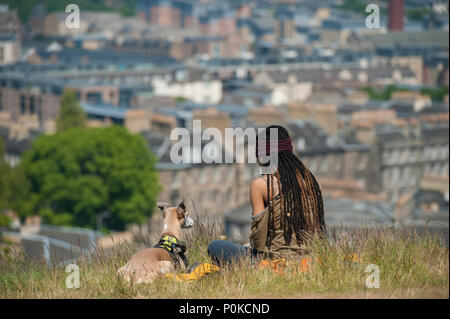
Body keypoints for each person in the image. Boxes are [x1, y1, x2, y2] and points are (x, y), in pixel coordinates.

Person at [207, 125, 326, 266]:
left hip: (274, 263)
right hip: (309, 261)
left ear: (263, 156)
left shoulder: (262, 184)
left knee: (216, 246)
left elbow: (259, 241)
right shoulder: (309, 182)